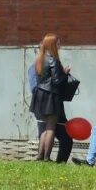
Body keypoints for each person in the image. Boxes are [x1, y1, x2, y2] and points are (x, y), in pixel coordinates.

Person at [26, 35, 74, 163]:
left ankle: (40, 157)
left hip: (39, 96)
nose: (59, 46)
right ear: (52, 44)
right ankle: (47, 157)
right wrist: (65, 73)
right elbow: (58, 81)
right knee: (51, 127)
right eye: (58, 43)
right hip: (51, 97)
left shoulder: (39, 60)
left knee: (43, 127)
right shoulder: (53, 60)